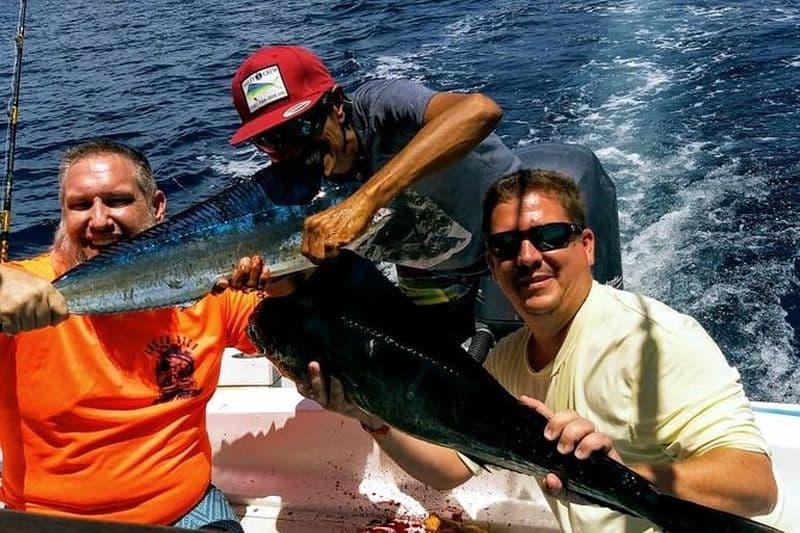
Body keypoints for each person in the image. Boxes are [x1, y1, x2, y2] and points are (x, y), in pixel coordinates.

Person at [297, 168, 790, 531]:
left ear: (587, 246)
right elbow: (450, 468)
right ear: (492, 265)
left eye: (549, 236)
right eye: (507, 245)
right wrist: (370, 411)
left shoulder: (653, 340)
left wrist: (621, 475)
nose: (528, 257)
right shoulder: (507, 358)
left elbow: (756, 485)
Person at [229, 44, 622, 351]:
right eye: (271, 140)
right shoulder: (296, 186)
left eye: (302, 127)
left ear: (337, 106)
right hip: (431, 273)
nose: (291, 149)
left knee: (560, 353)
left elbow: (480, 110)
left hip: (513, 248)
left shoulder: (383, 106)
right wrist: (272, 279)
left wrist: (364, 202)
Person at [0, 139, 272, 531]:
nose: (98, 220)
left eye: (116, 200)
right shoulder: (26, 293)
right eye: (80, 205)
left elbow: (284, 334)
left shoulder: (209, 287)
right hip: (46, 518)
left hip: (186, 509)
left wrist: (285, 287)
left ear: (157, 206)